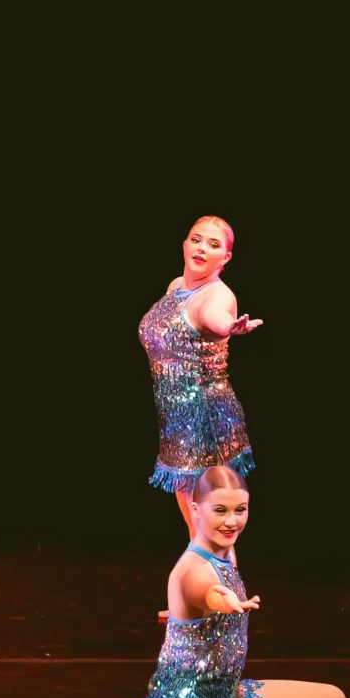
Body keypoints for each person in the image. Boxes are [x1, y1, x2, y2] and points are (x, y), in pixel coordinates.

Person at [120, 467, 341, 698]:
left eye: (241, 510)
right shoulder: (194, 572)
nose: (232, 521)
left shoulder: (221, 545)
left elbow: (195, 500)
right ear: (197, 511)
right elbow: (204, 589)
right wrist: (223, 600)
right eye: (220, 510)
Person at [140, 214, 261, 530]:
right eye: (196, 240)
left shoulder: (217, 295)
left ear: (226, 257)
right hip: (177, 420)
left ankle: (217, 565)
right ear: (184, 244)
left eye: (213, 244)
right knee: (196, 526)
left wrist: (230, 327)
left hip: (206, 419)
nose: (202, 248)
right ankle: (205, 565)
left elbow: (214, 317)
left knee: (210, 527)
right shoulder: (176, 287)